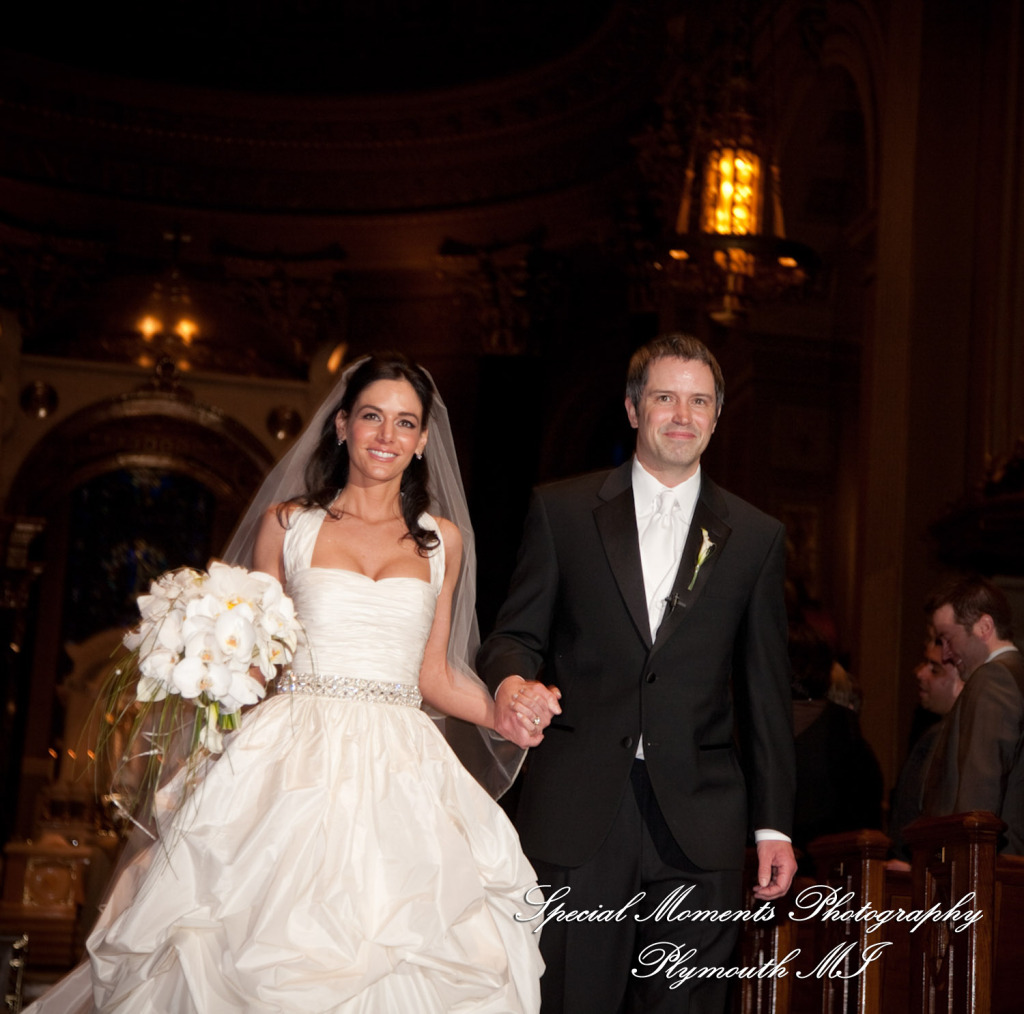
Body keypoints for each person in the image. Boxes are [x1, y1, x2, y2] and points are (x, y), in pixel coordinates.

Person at [27, 353, 546, 1013]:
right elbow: (258, 659)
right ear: (343, 426)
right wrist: (202, 661)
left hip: (401, 761)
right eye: (372, 417)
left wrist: (500, 712)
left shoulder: (442, 540)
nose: (386, 435)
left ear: (421, 441)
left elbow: (435, 675)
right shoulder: (287, 524)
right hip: (291, 755)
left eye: (404, 423)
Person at [477, 334, 796, 1013]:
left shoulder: (756, 536)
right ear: (632, 409)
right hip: (578, 809)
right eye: (665, 398)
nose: (682, 414)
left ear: (717, 416)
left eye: (699, 401)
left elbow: (765, 692)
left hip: (700, 820)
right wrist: (511, 683)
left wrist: (774, 826)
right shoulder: (562, 511)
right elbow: (513, 637)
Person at [922, 575, 1024, 854]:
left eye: (947, 638)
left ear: (984, 627)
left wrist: (966, 862)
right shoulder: (1015, 674)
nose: (945, 654)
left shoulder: (993, 679)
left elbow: (979, 795)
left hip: (985, 863)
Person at [788, 621, 882, 862]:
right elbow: (865, 808)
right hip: (830, 865)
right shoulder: (844, 726)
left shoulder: (747, 722)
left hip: (819, 862)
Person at [888, 627, 963, 862]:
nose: (919, 673)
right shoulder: (929, 728)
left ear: (962, 682)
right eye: (924, 664)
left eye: (935, 669)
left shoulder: (956, 738)